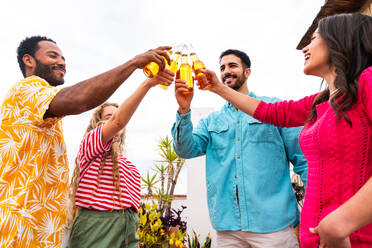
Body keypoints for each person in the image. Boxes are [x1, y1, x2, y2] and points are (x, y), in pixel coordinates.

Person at [201, 13, 372, 248]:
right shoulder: (320, 101)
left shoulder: (367, 82)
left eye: (314, 38)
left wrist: (340, 223)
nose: (305, 47)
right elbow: (270, 112)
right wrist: (219, 89)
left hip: (356, 238)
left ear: (339, 41)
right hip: (319, 238)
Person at [0, 35, 173, 248]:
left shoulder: (45, 115)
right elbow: (80, 100)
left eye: (63, 57)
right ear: (29, 60)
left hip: (39, 226)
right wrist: (134, 64)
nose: (62, 62)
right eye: (53, 56)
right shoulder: (27, 90)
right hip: (20, 221)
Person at [172, 49, 307, 247]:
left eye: (232, 65)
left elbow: (303, 161)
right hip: (228, 230)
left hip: (274, 227)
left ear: (247, 72)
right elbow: (185, 150)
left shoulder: (274, 108)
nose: (226, 71)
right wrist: (184, 109)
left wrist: (318, 210)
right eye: (222, 68)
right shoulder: (211, 121)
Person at [67, 70, 173, 248]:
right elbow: (118, 122)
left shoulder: (127, 164)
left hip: (127, 227)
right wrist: (147, 84)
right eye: (108, 117)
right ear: (97, 122)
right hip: (97, 227)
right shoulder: (90, 144)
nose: (116, 122)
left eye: (118, 116)